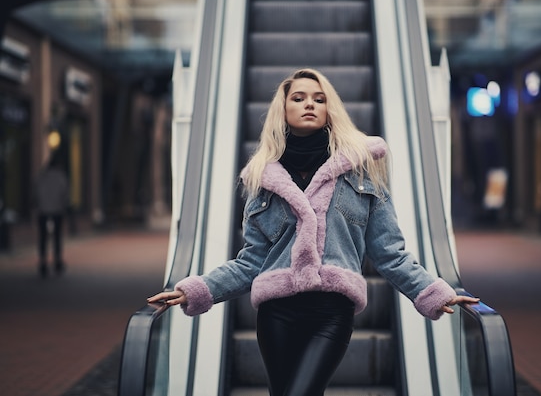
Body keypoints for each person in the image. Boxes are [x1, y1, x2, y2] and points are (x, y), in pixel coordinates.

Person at [148, 68, 478, 395]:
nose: (310, 104)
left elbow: (388, 252)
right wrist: (197, 290)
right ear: (284, 109)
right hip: (277, 314)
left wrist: (434, 291)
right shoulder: (263, 182)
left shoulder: (361, 174)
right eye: (299, 98)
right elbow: (251, 262)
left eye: (319, 99)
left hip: (331, 312)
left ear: (329, 110)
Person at [33, 152, 68, 277]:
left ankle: (43, 262)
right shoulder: (60, 176)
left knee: (43, 238)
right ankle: (57, 261)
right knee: (57, 238)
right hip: (57, 211)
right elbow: (64, 193)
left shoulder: (41, 176)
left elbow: (35, 192)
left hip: (43, 211)